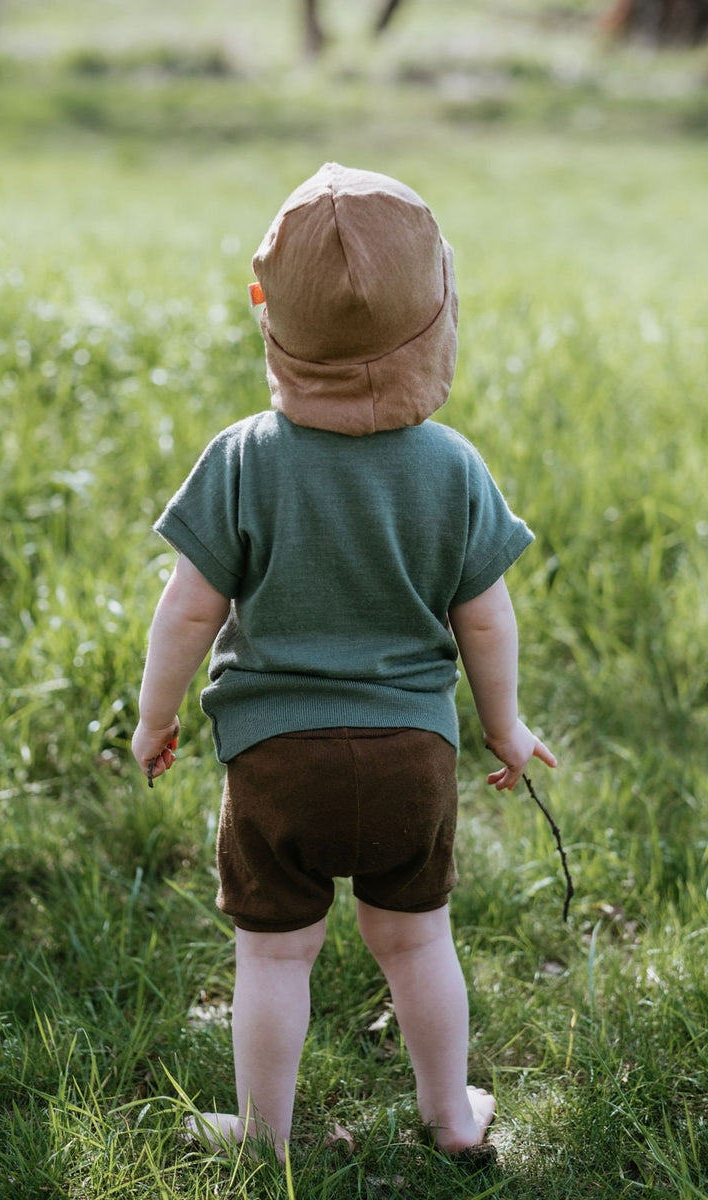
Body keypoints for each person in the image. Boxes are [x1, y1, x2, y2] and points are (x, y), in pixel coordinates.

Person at [131, 162, 556, 1163]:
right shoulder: (450, 465)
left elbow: (187, 610)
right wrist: (503, 726)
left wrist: (156, 718)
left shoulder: (242, 457)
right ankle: (450, 1116)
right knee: (415, 941)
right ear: (440, 308)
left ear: (262, 306)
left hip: (276, 761)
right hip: (411, 754)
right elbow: (485, 622)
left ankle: (264, 1139)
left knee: (274, 957)